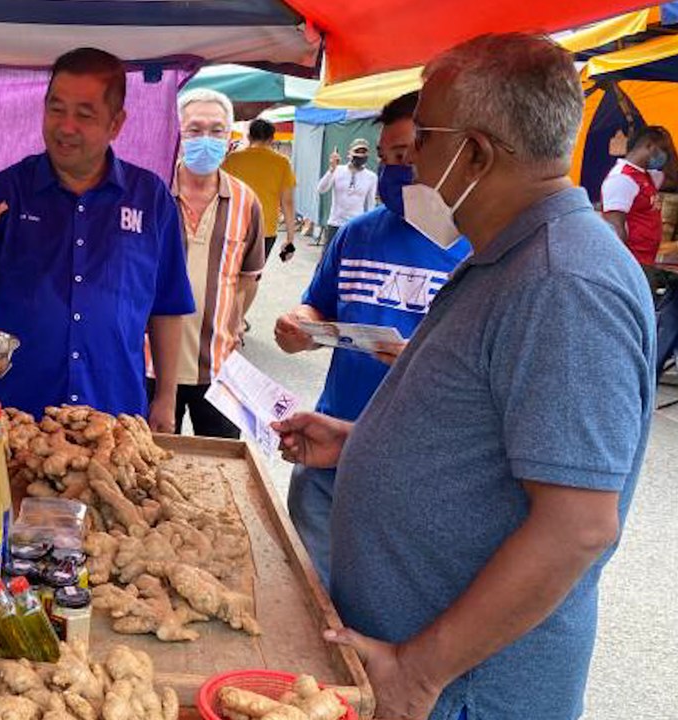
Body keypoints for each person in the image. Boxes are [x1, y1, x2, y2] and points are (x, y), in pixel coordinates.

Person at [274, 34, 655, 720]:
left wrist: (420, 672)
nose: (409, 156)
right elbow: (484, 437)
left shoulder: (562, 281)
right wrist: (359, 442)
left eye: (422, 135)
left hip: (465, 694)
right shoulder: (506, 257)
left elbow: (578, 525)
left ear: (475, 153)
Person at [0, 48, 194, 430]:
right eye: (56, 109)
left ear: (116, 124)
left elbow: (167, 306)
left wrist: (166, 398)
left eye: (84, 115)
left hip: (116, 415)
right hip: (22, 416)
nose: (65, 126)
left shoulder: (150, 198)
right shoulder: (7, 193)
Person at [272, 91, 471, 587]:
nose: (395, 170)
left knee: (374, 604)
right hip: (325, 448)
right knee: (307, 590)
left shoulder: (478, 250)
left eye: (406, 155)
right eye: (387, 157)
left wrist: (416, 361)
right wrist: (302, 323)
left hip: (413, 470)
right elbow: (321, 305)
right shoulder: (358, 234)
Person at [152, 88, 262, 438]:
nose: (206, 140)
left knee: (219, 466)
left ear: (230, 137)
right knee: (147, 471)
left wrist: (232, 323)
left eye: (216, 131)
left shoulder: (246, 201)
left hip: (217, 368)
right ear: (176, 135)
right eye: (194, 130)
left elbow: (248, 277)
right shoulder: (152, 196)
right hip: (148, 366)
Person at [223, 118, 297, 265]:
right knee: (253, 277)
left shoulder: (232, 159)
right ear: (272, 138)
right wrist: (290, 238)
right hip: (265, 229)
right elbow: (287, 203)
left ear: (249, 136)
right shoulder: (282, 163)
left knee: (230, 274)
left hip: (235, 227)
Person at [601, 125, 672, 267]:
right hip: (633, 263)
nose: (665, 156)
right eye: (663, 150)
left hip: (646, 260)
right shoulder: (622, 178)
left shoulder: (647, 176)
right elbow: (614, 226)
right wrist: (624, 268)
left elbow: (673, 178)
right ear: (650, 146)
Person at [315, 138, 376, 246]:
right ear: (350, 153)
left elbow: (370, 204)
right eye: (357, 152)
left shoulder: (371, 177)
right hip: (335, 224)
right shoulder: (337, 170)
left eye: (364, 152)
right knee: (329, 260)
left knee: (351, 260)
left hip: (356, 225)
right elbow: (321, 189)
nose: (360, 156)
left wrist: (369, 227)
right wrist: (331, 169)